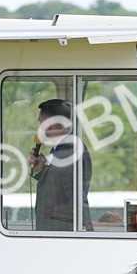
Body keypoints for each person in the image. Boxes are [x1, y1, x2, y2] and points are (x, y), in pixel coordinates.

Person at [27, 99, 93, 232]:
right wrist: (41, 169)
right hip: (56, 228)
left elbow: (74, 193)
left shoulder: (70, 151)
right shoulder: (61, 148)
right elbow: (58, 184)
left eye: (41, 122)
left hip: (62, 230)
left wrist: (85, 225)